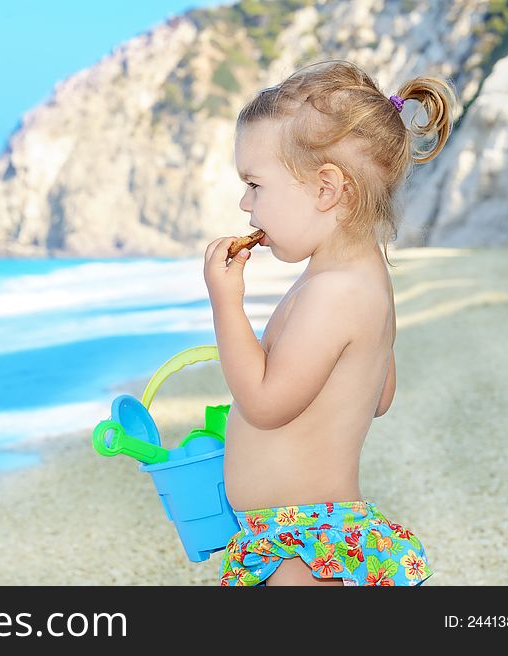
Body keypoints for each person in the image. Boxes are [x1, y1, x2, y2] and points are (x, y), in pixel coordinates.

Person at [203, 60, 457, 586]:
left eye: (254, 184)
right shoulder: (359, 280)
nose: (245, 203)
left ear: (326, 189)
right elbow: (379, 395)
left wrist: (226, 303)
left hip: (303, 544)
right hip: (299, 537)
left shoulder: (333, 292)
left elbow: (266, 404)